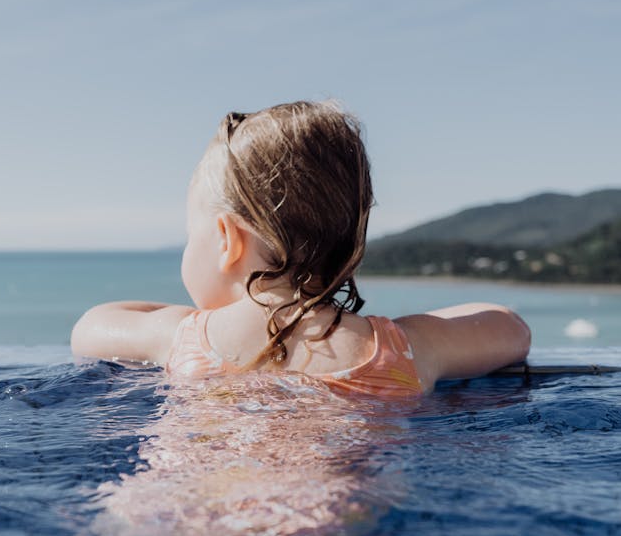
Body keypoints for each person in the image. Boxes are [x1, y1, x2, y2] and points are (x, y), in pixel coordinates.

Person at [71, 101, 531, 397]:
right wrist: (414, 328)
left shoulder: (181, 337)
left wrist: (188, 317)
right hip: (323, 522)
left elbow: (91, 328)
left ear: (227, 240)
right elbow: (509, 328)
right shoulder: (403, 348)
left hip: (177, 514)